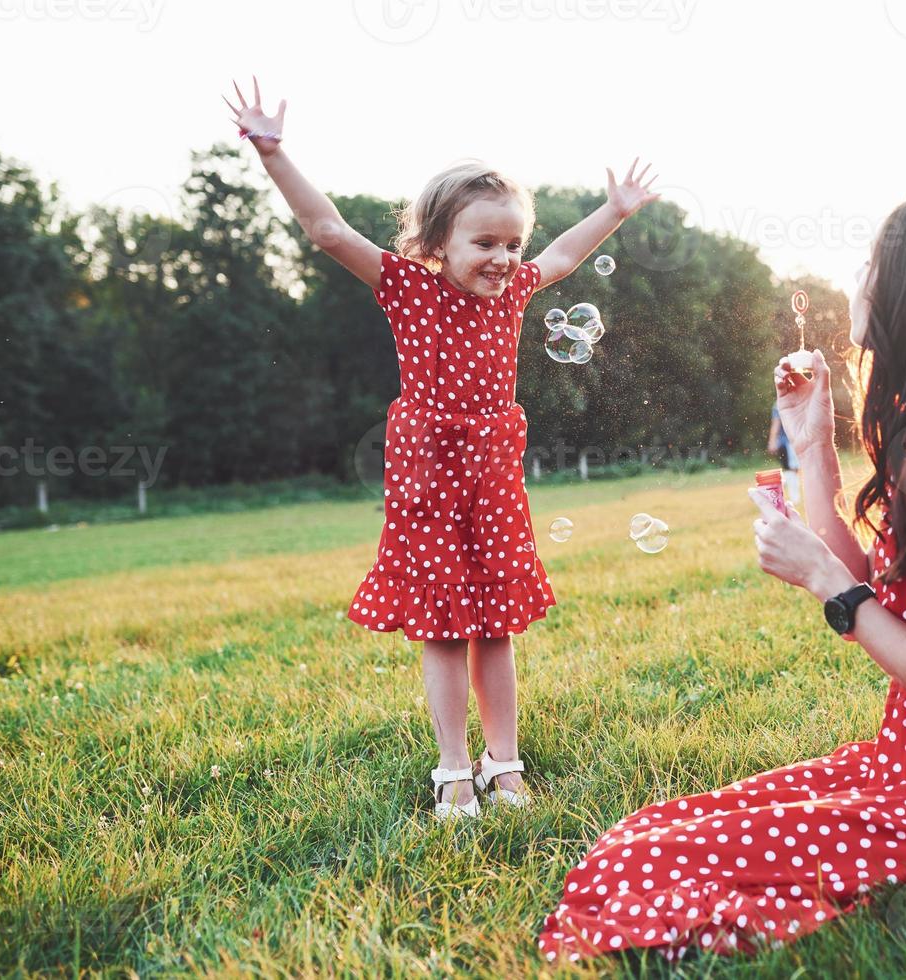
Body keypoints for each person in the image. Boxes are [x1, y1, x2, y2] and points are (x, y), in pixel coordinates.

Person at [539, 190, 906, 962]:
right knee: (657, 834)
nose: (859, 280)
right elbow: (889, 586)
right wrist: (812, 447)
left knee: (646, 864)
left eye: (872, 265)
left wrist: (829, 585)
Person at [224, 77, 660, 819]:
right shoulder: (407, 288)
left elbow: (560, 255)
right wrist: (274, 153)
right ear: (436, 244)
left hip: (492, 471)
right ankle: (454, 769)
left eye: (510, 242)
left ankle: (506, 764)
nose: (502, 257)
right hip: (430, 471)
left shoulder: (518, 289)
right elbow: (328, 231)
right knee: (444, 623)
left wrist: (613, 211)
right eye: (484, 242)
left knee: (496, 622)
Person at [767, 403, 802, 510]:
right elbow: (776, 424)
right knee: (790, 470)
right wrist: (772, 441)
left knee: (792, 470)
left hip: (791, 442)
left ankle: (773, 491)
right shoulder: (779, 405)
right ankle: (793, 498)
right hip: (787, 443)